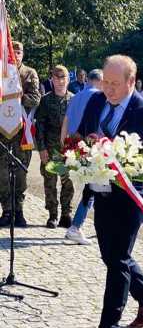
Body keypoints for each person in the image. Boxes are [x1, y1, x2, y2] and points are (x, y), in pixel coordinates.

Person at [76, 55, 143, 328]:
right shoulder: (96, 102)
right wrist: (85, 150)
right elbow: (83, 137)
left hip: (131, 197)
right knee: (112, 257)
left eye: (114, 84)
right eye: (105, 83)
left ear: (130, 82)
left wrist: (111, 151)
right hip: (101, 193)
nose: (108, 89)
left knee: (118, 260)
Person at [0, 41, 41, 228]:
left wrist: (17, 95)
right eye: (13, 51)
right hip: (2, 132)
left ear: (23, 54)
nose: (16, 55)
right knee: (2, 173)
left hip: (21, 133)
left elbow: (35, 99)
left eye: (19, 52)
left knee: (21, 172)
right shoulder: (1, 72)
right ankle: (6, 210)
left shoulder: (29, 73)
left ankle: (19, 211)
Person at [60, 69, 103, 245]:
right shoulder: (100, 97)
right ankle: (76, 227)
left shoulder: (76, 96)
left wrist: (63, 145)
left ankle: (79, 226)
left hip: (76, 147)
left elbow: (66, 121)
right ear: (100, 82)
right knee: (95, 189)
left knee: (93, 188)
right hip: (96, 146)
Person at [35, 65, 74, 229]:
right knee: (50, 183)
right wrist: (42, 149)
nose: (59, 81)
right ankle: (52, 215)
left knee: (68, 182)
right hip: (50, 148)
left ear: (68, 79)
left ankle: (66, 214)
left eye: (63, 77)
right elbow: (40, 127)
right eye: (56, 78)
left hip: (68, 149)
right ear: (52, 80)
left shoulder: (74, 99)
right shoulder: (45, 100)